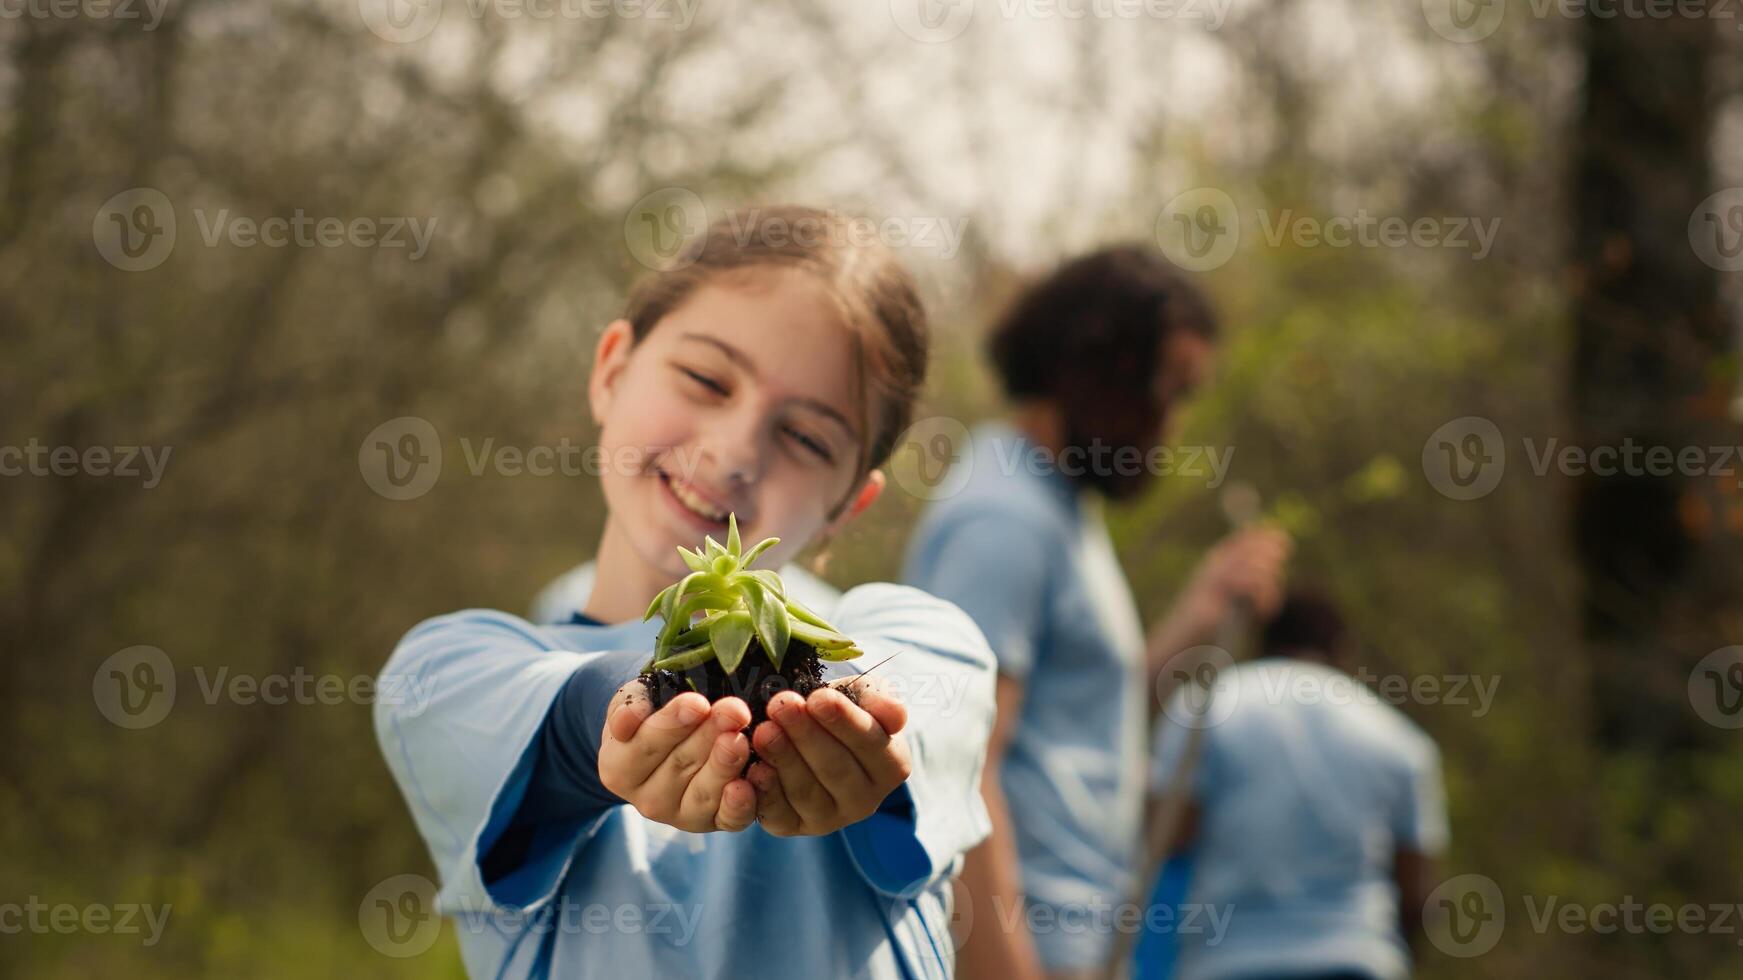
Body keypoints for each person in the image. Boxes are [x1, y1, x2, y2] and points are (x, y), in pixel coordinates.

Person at [375, 206, 998, 979]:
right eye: (706, 379)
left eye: (806, 438)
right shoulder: (448, 671)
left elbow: (907, 697)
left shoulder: (924, 636)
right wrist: (643, 709)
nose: (734, 450)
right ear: (611, 370)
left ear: (848, 506)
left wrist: (828, 712)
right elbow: (567, 713)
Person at [902, 246, 1291, 979]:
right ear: (1091, 368)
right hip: (1027, 950)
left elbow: (1074, 721)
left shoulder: (1055, 507)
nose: (1169, 426)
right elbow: (957, 763)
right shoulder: (1004, 521)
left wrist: (1199, 614)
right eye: (1165, 389)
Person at [1148, 590, 1449, 980]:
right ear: (1343, 650)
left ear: (1263, 641)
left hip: (1231, 960)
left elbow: (1166, 837)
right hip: (1356, 958)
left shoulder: (1205, 708)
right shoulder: (1397, 738)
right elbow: (1417, 894)